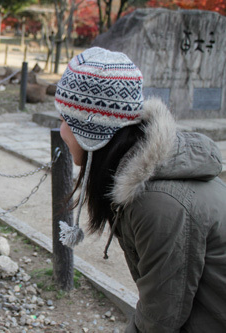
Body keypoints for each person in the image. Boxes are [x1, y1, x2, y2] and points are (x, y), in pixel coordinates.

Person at [54, 47, 226, 332]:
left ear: (91, 131)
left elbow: (161, 319)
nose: (60, 130)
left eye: (64, 119)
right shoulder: (138, 175)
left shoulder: (158, 203)